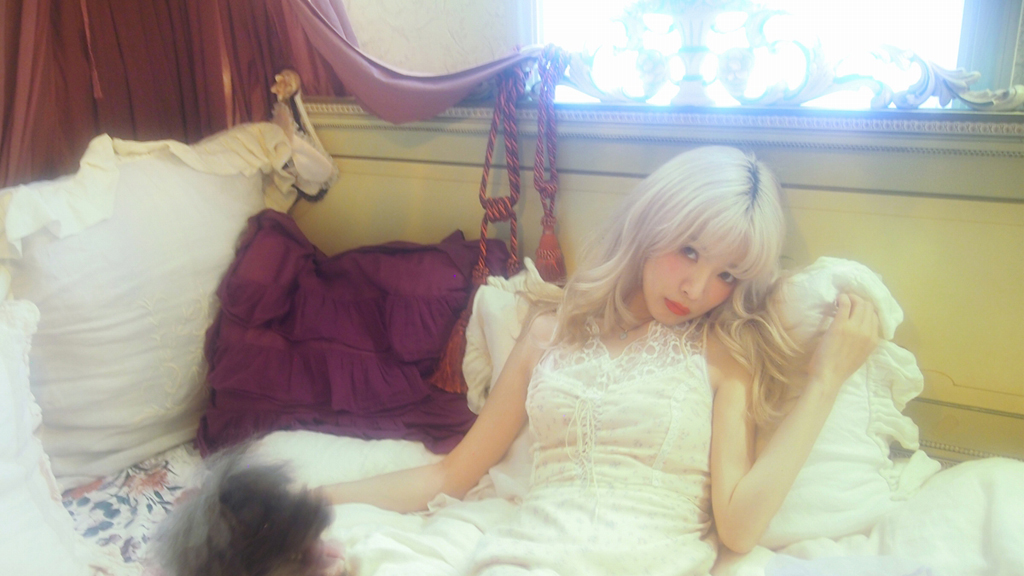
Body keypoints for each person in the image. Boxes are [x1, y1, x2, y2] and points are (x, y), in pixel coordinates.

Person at [318, 146, 880, 575]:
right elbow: (451, 474)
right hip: (520, 559)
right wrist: (316, 500)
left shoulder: (723, 354)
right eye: (689, 250)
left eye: (726, 275)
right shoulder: (548, 333)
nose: (696, 287)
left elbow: (739, 526)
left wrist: (826, 380)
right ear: (652, 224)